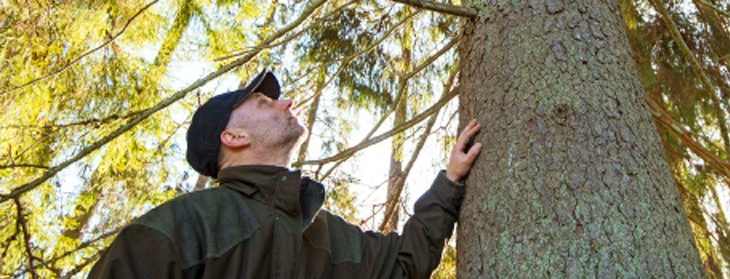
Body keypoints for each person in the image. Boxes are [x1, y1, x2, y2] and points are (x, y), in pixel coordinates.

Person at [88, 69, 484, 278]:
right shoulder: (176, 229)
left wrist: (448, 183)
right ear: (234, 136)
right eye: (264, 102)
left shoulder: (331, 236)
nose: (286, 102)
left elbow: (404, 266)